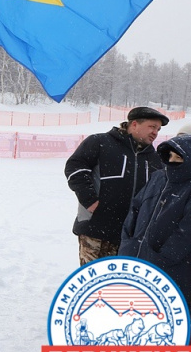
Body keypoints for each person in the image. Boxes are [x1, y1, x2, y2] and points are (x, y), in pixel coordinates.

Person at [119, 134, 191, 308]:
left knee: (158, 319)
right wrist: (128, 243)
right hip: (133, 261)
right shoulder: (158, 177)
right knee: (127, 313)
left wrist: (160, 259)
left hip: (168, 271)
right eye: (170, 156)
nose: (171, 161)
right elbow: (135, 209)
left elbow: (188, 233)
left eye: (178, 158)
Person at [65, 106, 167, 265]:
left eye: (158, 129)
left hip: (128, 236)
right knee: (92, 281)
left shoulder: (155, 159)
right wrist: (89, 199)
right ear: (134, 124)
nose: (155, 132)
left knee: (116, 284)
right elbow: (75, 168)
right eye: (152, 127)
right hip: (95, 228)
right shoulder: (100, 142)